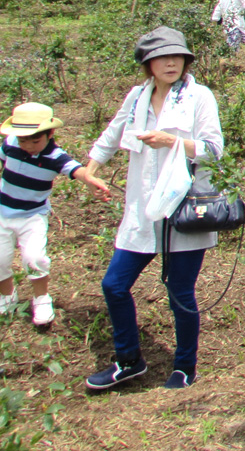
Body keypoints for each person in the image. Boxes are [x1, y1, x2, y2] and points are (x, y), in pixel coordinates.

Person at [84, 27, 224, 391]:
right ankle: (128, 360)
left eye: (177, 56)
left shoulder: (198, 96)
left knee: (180, 291)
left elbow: (214, 149)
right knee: (114, 285)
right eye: (162, 57)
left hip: (183, 210)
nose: (171, 62)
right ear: (147, 64)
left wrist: (172, 141)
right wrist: (90, 172)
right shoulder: (136, 98)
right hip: (142, 209)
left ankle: (184, 366)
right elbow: (111, 136)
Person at [0, 103, 110, 325]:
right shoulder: (10, 143)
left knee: (34, 258)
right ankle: (7, 295)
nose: (28, 146)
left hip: (32, 215)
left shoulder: (54, 155)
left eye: (35, 141)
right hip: (3, 211)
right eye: (23, 140)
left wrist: (90, 180)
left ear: (50, 134)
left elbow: (75, 169)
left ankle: (41, 299)